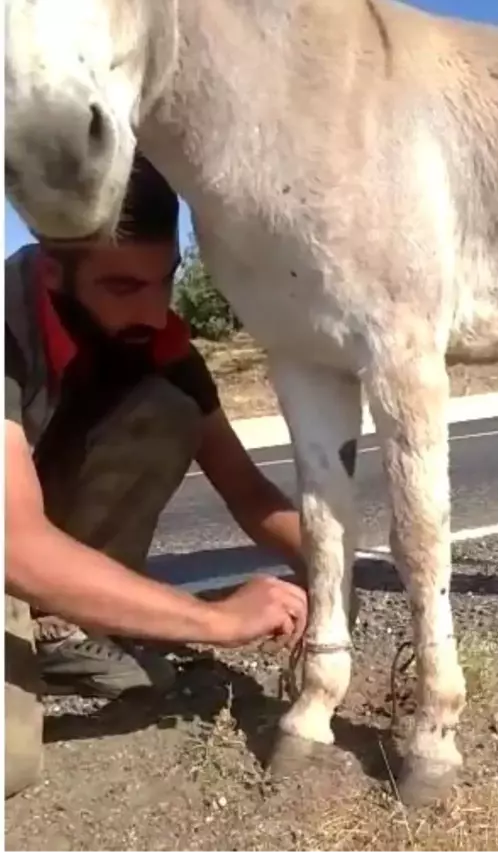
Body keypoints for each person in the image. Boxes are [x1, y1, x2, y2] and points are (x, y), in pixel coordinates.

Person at [4, 154, 310, 799]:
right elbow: (15, 543)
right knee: (10, 760)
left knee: (168, 405)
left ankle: (63, 624)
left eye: (164, 280)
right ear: (56, 273)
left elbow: (248, 489)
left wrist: (330, 569)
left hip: (23, 565)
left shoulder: (157, 344)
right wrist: (218, 623)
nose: (153, 311)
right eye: (122, 288)